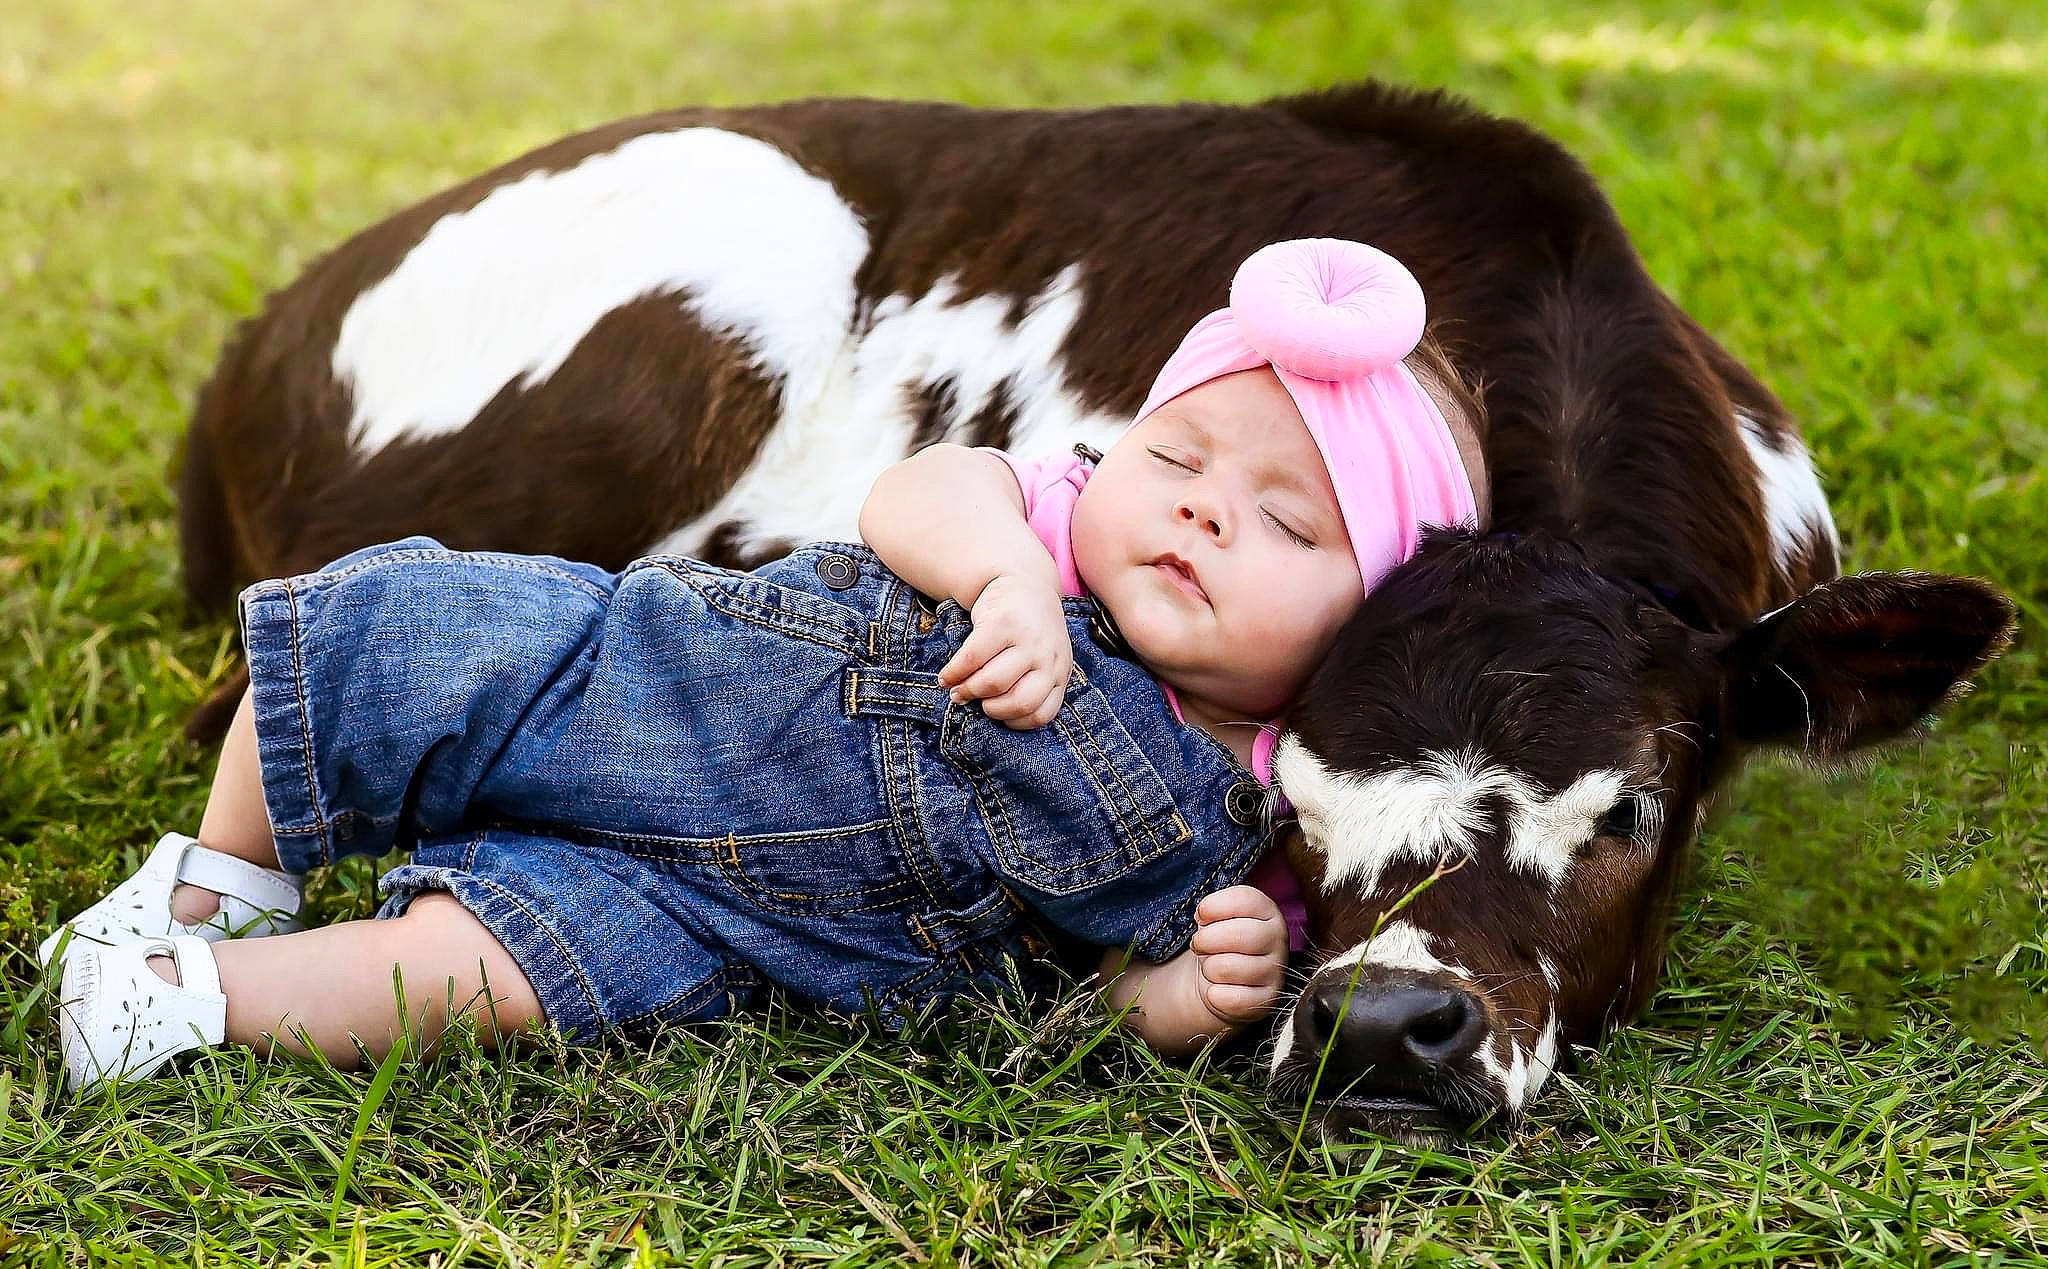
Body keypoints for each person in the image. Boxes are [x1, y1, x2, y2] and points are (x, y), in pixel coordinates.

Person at [43, 239, 1484, 1093]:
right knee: (402, 642)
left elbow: (1097, 988)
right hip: (655, 686)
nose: (1200, 505)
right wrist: (1000, 581)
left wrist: (1178, 999)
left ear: (1364, 626)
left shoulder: (1266, 798)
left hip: (741, 930)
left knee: (494, 976)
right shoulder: (1039, 521)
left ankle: (183, 998)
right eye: (1176, 453)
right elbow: (911, 494)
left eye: (1290, 523)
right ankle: (219, 878)